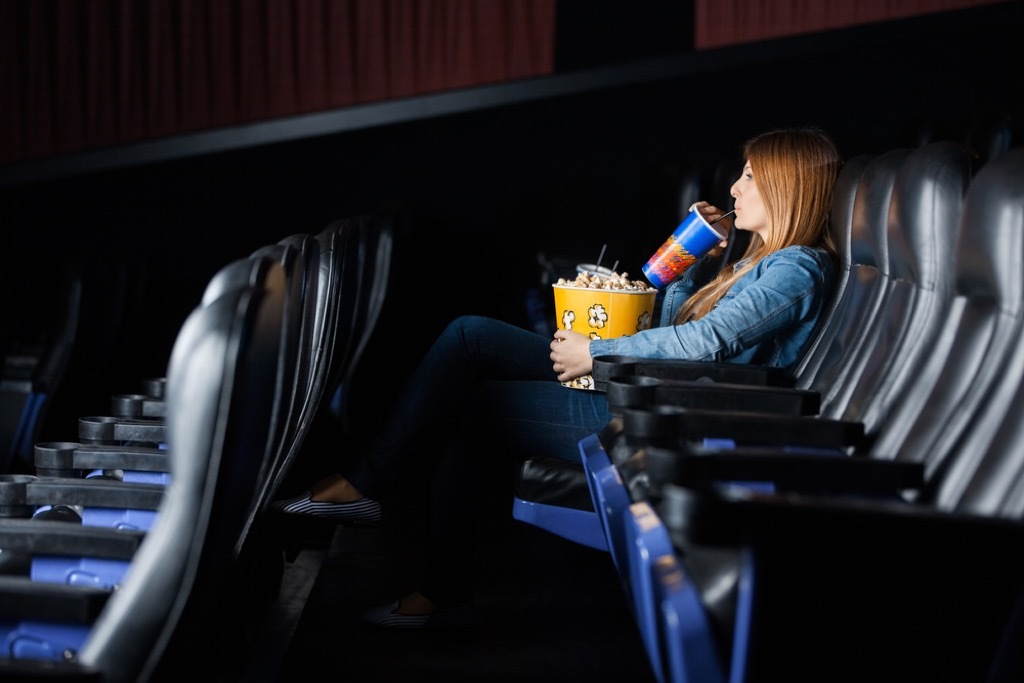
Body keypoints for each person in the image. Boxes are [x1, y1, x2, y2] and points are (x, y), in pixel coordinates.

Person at [272, 126, 842, 628]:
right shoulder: (751, 260)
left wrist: (596, 353)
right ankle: (377, 500)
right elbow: (674, 323)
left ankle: (415, 556)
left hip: (665, 414)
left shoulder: (795, 268)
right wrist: (685, 262)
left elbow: (703, 346)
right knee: (469, 334)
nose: (736, 188)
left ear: (788, 186)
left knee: (473, 409)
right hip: (643, 386)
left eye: (749, 176)